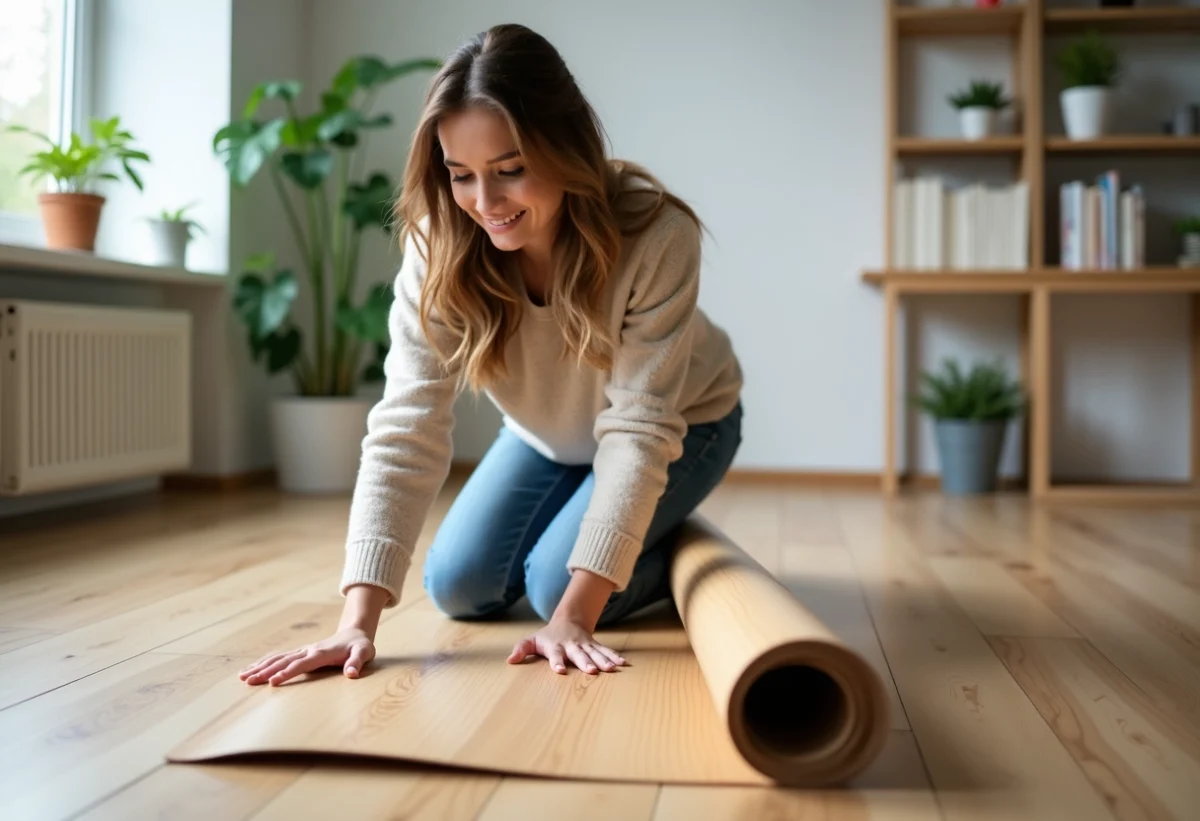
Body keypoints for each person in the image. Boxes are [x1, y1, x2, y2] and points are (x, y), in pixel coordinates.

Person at [239, 23, 743, 687]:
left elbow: (640, 428)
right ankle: (630, 524)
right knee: (457, 584)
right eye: (461, 176)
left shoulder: (655, 233)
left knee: (548, 586)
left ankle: (652, 530)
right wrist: (355, 622)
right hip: (549, 435)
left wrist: (573, 613)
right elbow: (406, 423)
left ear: (565, 148)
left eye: (510, 172)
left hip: (684, 424)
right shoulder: (439, 245)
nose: (485, 203)